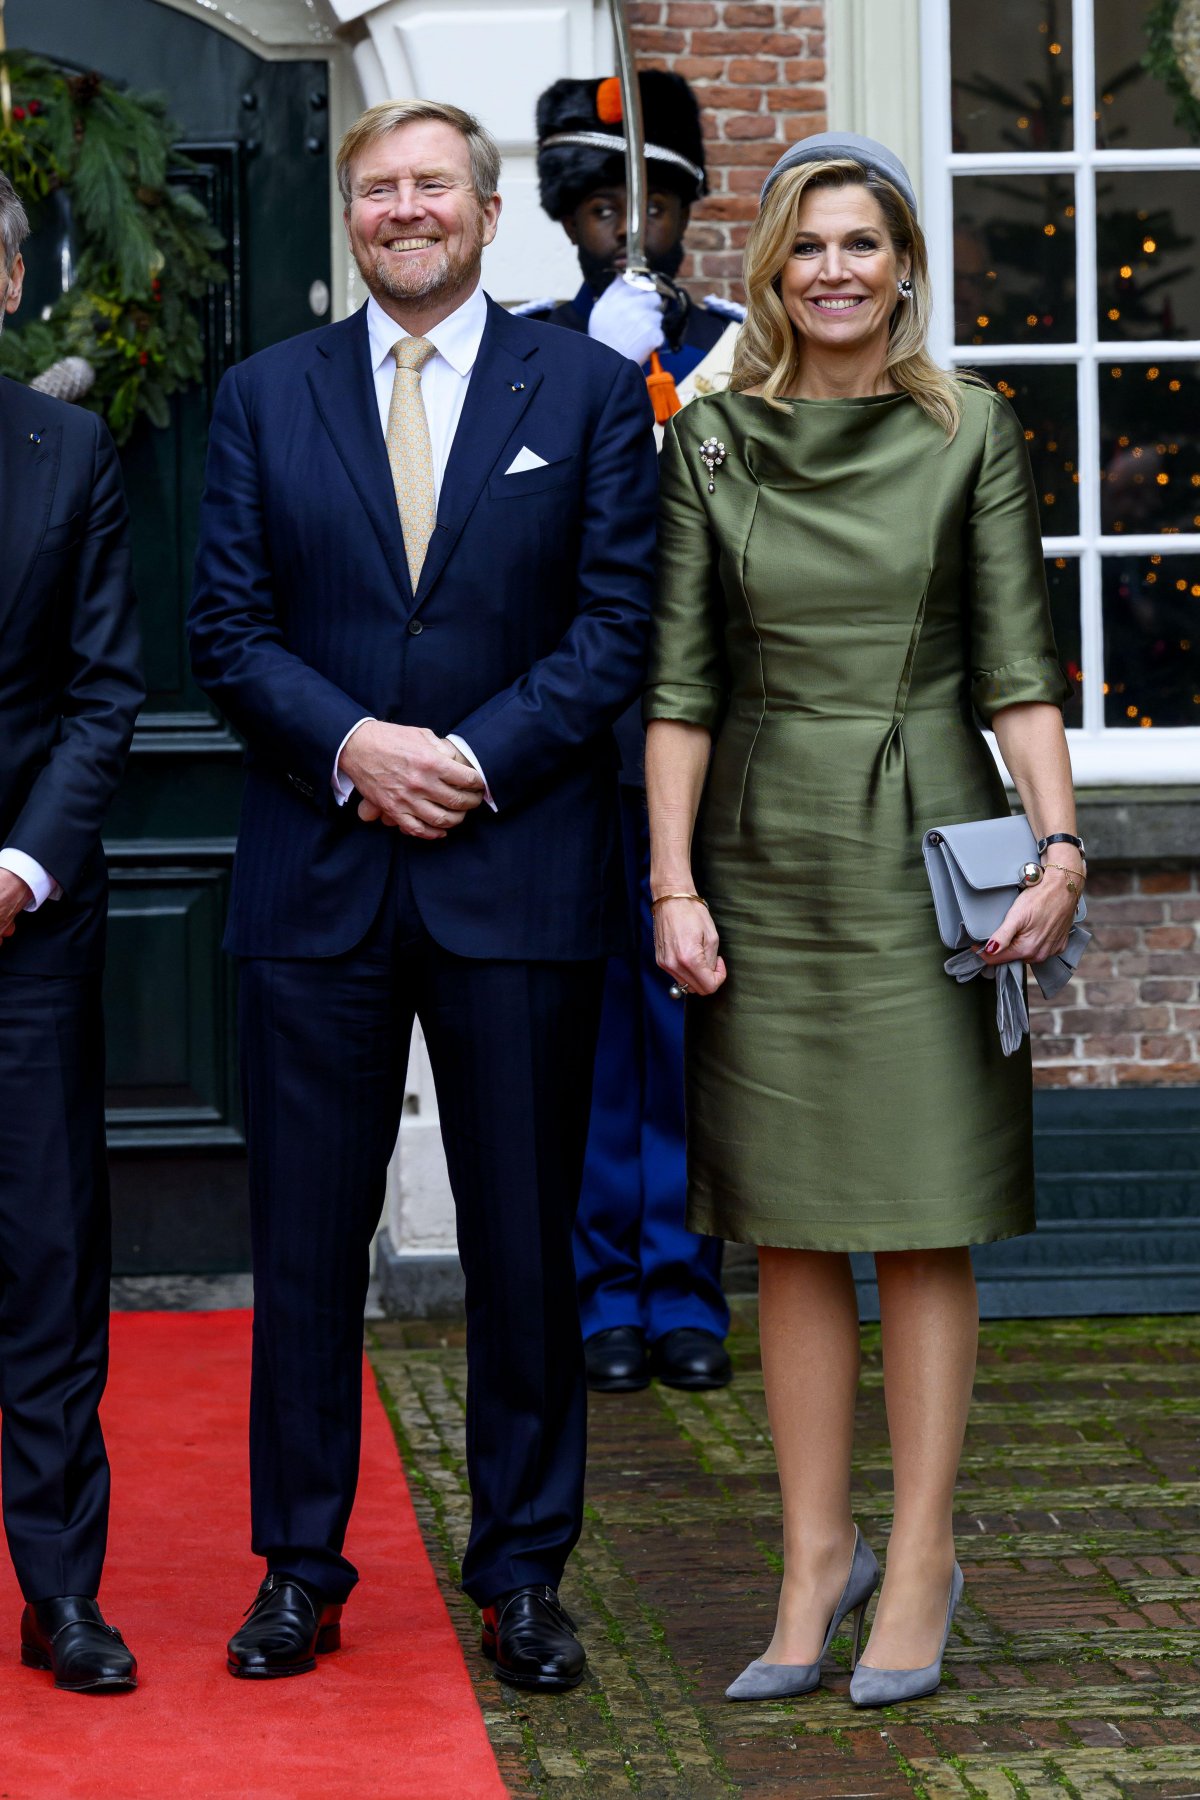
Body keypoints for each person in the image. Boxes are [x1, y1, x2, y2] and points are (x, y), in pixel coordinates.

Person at [187, 100, 656, 1693]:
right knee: (306, 1245)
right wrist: (357, 749)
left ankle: (525, 1573)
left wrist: (465, 757)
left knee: (527, 1247)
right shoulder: (265, 396)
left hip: (515, 870)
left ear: (488, 205)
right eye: (379, 188)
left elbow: (615, 631)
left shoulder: (586, 394)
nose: (406, 209)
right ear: (352, 212)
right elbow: (229, 632)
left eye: (432, 186)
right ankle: (300, 1568)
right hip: (314, 882)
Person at [644, 134, 1083, 1708]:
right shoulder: (707, 440)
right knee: (787, 1220)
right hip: (762, 856)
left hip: (922, 849)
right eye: (806, 246)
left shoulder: (972, 430)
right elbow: (679, 689)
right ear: (772, 270)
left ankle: (922, 1558)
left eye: (862, 244)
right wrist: (674, 882)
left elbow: (1018, 669)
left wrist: (1063, 848)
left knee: (917, 1204)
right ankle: (813, 1558)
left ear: (905, 266)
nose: (833, 269)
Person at [524, 69, 740, 1394]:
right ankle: (604, 1285)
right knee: (595, 1020)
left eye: (648, 203)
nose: (626, 228)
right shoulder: (542, 347)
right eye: (602, 206)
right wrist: (598, 377)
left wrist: (676, 385)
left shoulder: (736, 343)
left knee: (692, 1017)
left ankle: (689, 1283)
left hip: (705, 730)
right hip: (574, 732)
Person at [0, 173, 144, 1693]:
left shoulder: (71, 448)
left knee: (47, 1261)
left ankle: (61, 1595)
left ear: (13, 278)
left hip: (23, 936)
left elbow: (107, 693)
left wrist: (21, 868)